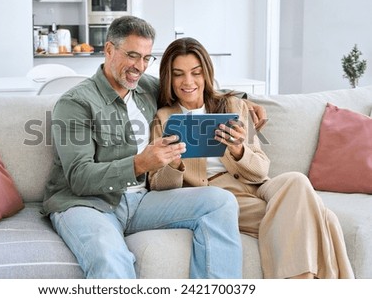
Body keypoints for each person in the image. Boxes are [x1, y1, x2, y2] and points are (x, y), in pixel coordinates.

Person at [42, 16, 244, 278]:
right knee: (109, 256)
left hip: (142, 201)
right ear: (109, 50)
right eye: (133, 55)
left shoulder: (146, 87)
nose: (140, 66)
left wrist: (246, 101)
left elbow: (190, 86)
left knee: (220, 202)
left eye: (147, 58)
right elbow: (79, 178)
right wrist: (140, 164)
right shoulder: (76, 103)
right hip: (86, 204)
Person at [149, 37, 355, 279]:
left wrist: (239, 151)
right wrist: (174, 164)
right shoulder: (164, 118)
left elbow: (260, 170)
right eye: (178, 74)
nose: (188, 82)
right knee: (324, 218)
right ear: (168, 78)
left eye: (196, 72)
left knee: (297, 181)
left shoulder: (234, 105)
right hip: (218, 195)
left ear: (206, 73)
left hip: (256, 185)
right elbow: (157, 185)